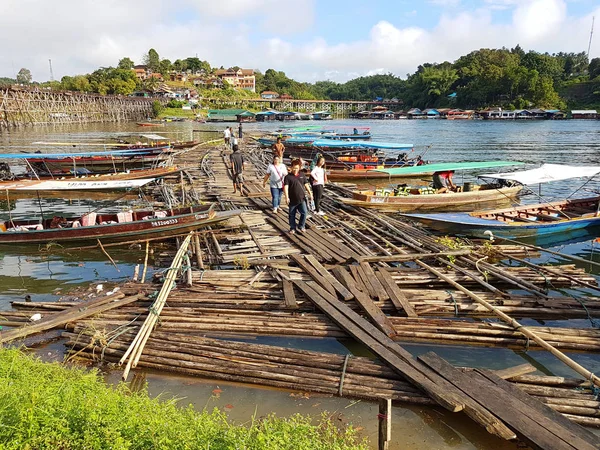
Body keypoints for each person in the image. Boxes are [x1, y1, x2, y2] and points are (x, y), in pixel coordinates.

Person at [283, 159, 313, 234]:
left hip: (301, 199)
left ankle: (301, 226)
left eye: (297, 168)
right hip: (292, 200)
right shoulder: (288, 177)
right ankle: (292, 228)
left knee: (304, 212)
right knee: (291, 214)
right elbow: (286, 187)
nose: (295, 170)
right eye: (294, 168)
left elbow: (306, 184)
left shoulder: (302, 175)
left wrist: (310, 193)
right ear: (291, 167)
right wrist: (286, 197)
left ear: (299, 167)